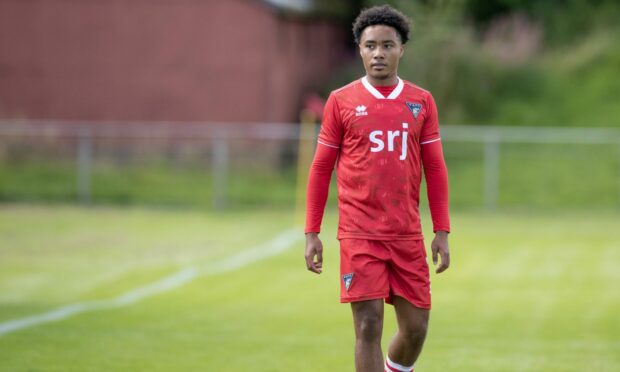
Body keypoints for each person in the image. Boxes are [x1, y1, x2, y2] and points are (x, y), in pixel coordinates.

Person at [304, 5, 451, 372]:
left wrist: (442, 231)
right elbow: (321, 168)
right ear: (359, 49)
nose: (379, 53)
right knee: (368, 324)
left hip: (406, 234)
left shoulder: (421, 101)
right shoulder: (341, 101)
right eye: (371, 46)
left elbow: (435, 168)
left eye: (388, 45)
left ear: (402, 49)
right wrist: (312, 232)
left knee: (415, 330)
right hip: (359, 233)